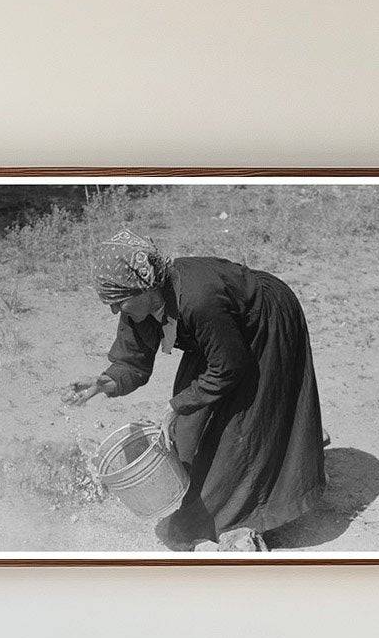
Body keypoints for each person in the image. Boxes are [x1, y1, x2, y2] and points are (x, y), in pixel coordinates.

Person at [67, 228, 325, 550]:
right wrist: (102, 383)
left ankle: (248, 515)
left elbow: (230, 367)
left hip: (265, 323)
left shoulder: (197, 298)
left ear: (143, 288)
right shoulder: (139, 302)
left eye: (118, 302)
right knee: (192, 426)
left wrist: (177, 405)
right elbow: (132, 361)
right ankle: (203, 497)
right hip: (222, 337)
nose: (114, 311)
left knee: (245, 428)